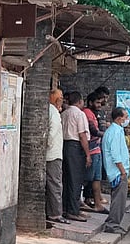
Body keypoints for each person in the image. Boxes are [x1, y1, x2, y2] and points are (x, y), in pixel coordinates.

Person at [60, 91, 91, 222]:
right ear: (79, 101)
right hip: (75, 146)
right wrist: (88, 154)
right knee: (75, 180)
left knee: (67, 179)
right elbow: (82, 134)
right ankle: (73, 210)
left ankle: (66, 208)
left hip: (64, 145)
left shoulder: (64, 113)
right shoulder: (79, 114)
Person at [102, 106, 130, 234]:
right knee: (119, 200)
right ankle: (112, 224)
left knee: (118, 199)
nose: (127, 119)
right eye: (126, 117)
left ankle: (112, 222)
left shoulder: (114, 130)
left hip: (116, 171)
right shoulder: (116, 132)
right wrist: (122, 171)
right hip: (118, 172)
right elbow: (115, 154)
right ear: (119, 119)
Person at [81, 91, 108, 213]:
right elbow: (93, 131)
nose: (99, 105)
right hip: (91, 149)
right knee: (86, 178)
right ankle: (80, 202)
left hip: (96, 149)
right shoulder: (87, 112)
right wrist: (108, 134)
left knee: (97, 178)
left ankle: (98, 203)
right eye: (97, 103)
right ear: (90, 102)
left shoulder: (94, 113)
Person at [45, 89, 68, 226]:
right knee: (55, 184)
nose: (62, 100)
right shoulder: (53, 112)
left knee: (54, 183)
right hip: (53, 154)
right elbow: (52, 132)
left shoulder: (53, 111)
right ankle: (55, 213)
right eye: (60, 97)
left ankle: (53, 211)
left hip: (53, 153)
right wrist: (48, 145)